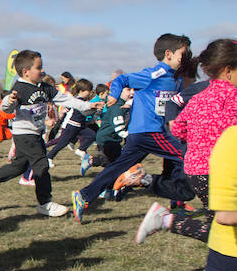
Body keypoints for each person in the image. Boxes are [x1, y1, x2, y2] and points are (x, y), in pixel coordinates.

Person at [91, 124, 237, 271]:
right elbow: (226, 214)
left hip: (224, 243)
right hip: (230, 247)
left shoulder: (230, 136)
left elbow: (178, 126)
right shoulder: (231, 141)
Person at [72, 34, 196, 223]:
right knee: (185, 155)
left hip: (142, 134)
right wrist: (113, 95)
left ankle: (84, 195)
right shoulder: (153, 74)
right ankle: (175, 197)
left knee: (117, 168)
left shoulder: (175, 79)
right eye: (183, 54)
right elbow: (121, 80)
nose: (185, 59)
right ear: (169, 54)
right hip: (149, 131)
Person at [135, 39, 237, 244]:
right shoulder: (232, 96)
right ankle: (166, 219)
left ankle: (166, 220)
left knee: (218, 228)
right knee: (223, 231)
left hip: (195, 171)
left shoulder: (200, 96)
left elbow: (179, 128)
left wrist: (198, 138)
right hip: (219, 171)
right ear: (228, 70)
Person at [0, 50, 95, 217]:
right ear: (26, 71)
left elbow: (65, 99)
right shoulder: (20, 88)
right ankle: (45, 203)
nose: (42, 70)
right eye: (38, 67)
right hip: (24, 135)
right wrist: (8, 101)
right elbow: (6, 107)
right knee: (41, 165)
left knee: (19, 166)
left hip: (36, 134)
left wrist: (86, 106)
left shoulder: (45, 87)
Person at [45, 78, 97, 163]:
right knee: (62, 143)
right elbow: (84, 112)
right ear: (81, 91)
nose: (90, 93)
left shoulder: (81, 101)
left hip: (80, 126)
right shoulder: (79, 101)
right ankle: (49, 157)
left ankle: (81, 150)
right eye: (88, 91)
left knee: (92, 135)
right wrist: (94, 109)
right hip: (72, 126)